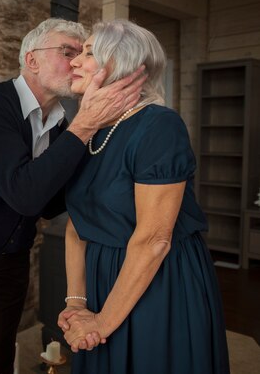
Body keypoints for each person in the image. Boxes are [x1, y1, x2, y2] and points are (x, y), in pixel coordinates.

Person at [0, 17, 146, 373]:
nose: (78, 62)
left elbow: (49, 202)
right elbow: (25, 194)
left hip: (13, 254)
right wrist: (85, 126)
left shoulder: (62, 125)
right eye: (68, 52)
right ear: (32, 60)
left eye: (83, 54)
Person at [57, 19, 230, 374]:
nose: (73, 61)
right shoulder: (87, 129)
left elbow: (153, 240)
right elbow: (77, 226)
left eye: (88, 53)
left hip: (159, 283)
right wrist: (77, 305)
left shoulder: (159, 126)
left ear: (120, 66)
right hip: (102, 281)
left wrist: (101, 324)